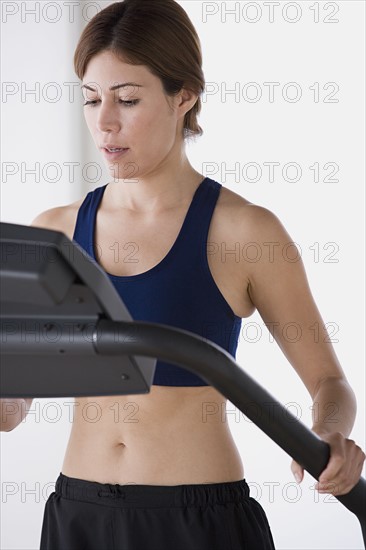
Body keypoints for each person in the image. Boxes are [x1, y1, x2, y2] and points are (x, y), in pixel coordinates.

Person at [1, 0, 364, 548]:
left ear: (183, 96)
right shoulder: (53, 233)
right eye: (91, 99)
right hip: (78, 514)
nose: (105, 121)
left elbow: (329, 383)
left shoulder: (244, 231)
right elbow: (12, 408)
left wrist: (330, 433)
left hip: (197, 519)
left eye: (127, 99)